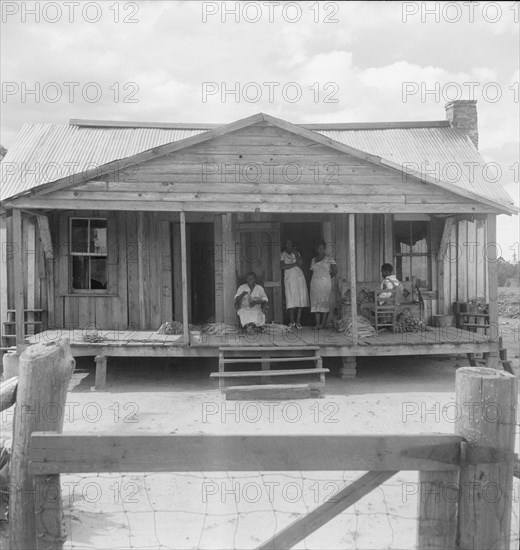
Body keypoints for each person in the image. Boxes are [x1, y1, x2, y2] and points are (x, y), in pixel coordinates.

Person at [280, 240, 309, 329]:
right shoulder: (282, 254)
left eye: (291, 244)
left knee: (300, 299)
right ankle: (292, 321)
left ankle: (298, 322)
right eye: (287, 244)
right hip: (289, 279)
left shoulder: (296, 253)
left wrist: (296, 255)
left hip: (299, 278)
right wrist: (295, 264)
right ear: (285, 246)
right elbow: (283, 266)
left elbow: (300, 264)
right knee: (290, 299)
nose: (289, 246)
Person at [310, 241, 338, 329]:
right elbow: (313, 270)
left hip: (325, 284)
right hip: (314, 283)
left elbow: (335, 271)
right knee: (316, 303)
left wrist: (327, 277)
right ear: (317, 249)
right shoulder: (313, 259)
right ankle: (317, 323)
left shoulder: (329, 258)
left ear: (325, 249)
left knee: (324, 303)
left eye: (322, 248)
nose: (321, 250)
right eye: (319, 248)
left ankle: (322, 324)